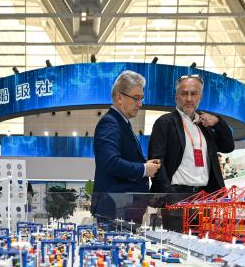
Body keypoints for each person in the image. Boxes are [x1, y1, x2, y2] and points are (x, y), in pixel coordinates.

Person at [149, 74, 236, 232]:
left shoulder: (205, 124)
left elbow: (228, 146)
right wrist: (168, 195)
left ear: (200, 97)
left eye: (193, 94)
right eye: (184, 93)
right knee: (175, 243)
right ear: (176, 97)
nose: (188, 99)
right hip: (176, 196)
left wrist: (218, 122)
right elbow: (156, 160)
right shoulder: (165, 122)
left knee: (201, 244)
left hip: (204, 197)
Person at [92, 70, 160, 224]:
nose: (140, 104)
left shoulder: (121, 123)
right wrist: (144, 169)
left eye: (141, 98)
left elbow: (121, 158)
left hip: (122, 209)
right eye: (136, 98)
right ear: (119, 97)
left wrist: (145, 164)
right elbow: (110, 162)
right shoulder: (110, 123)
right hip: (116, 209)